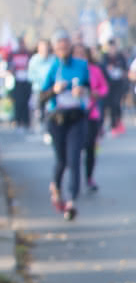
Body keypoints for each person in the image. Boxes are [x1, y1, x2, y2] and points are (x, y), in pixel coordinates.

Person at [37, 32, 94, 219]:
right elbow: (41, 97)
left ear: (70, 46)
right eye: (59, 47)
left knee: (74, 158)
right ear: (55, 49)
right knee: (61, 160)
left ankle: (71, 200)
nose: (63, 50)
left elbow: (90, 89)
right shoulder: (52, 67)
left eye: (66, 46)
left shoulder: (82, 65)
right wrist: (54, 90)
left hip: (76, 117)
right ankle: (56, 185)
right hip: (57, 119)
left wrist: (82, 90)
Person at [72, 43, 109, 193]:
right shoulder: (69, 71)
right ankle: (74, 180)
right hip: (73, 115)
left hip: (92, 113)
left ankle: (89, 177)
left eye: (83, 54)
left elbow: (104, 87)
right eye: (77, 54)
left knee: (90, 147)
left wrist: (97, 93)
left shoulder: (94, 70)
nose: (81, 57)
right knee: (74, 149)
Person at [102, 40, 128, 134]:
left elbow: (126, 70)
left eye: (114, 47)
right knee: (110, 105)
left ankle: (118, 121)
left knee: (117, 103)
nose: (112, 50)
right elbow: (102, 69)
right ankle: (113, 124)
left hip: (119, 84)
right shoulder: (105, 57)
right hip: (109, 84)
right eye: (110, 48)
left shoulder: (120, 57)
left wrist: (122, 72)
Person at [7, 40, 33, 132]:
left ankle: (26, 122)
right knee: (18, 102)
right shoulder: (13, 55)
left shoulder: (29, 54)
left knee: (26, 102)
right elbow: (9, 67)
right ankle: (18, 121)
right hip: (17, 82)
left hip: (27, 81)